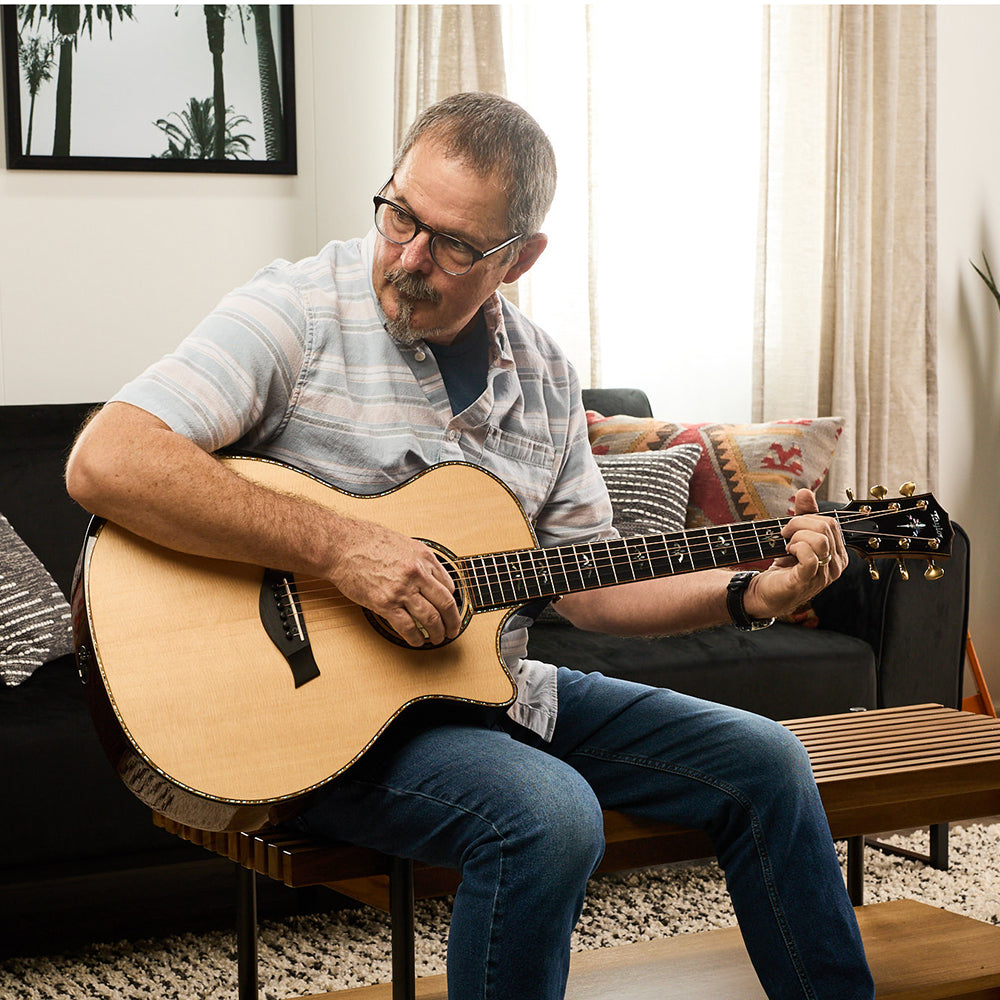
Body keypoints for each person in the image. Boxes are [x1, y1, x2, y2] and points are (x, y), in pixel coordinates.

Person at [66, 92, 874, 1000]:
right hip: (326, 722)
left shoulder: (543, 375)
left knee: (769, 761)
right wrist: (341, 550)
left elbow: (589, 587)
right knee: (550, 817)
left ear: (521, 258)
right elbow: (110, 459)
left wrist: (747, 596)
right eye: (400, 213)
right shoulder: (294, 312)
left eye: (453, 243)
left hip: (492, 687)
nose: (408, 256)